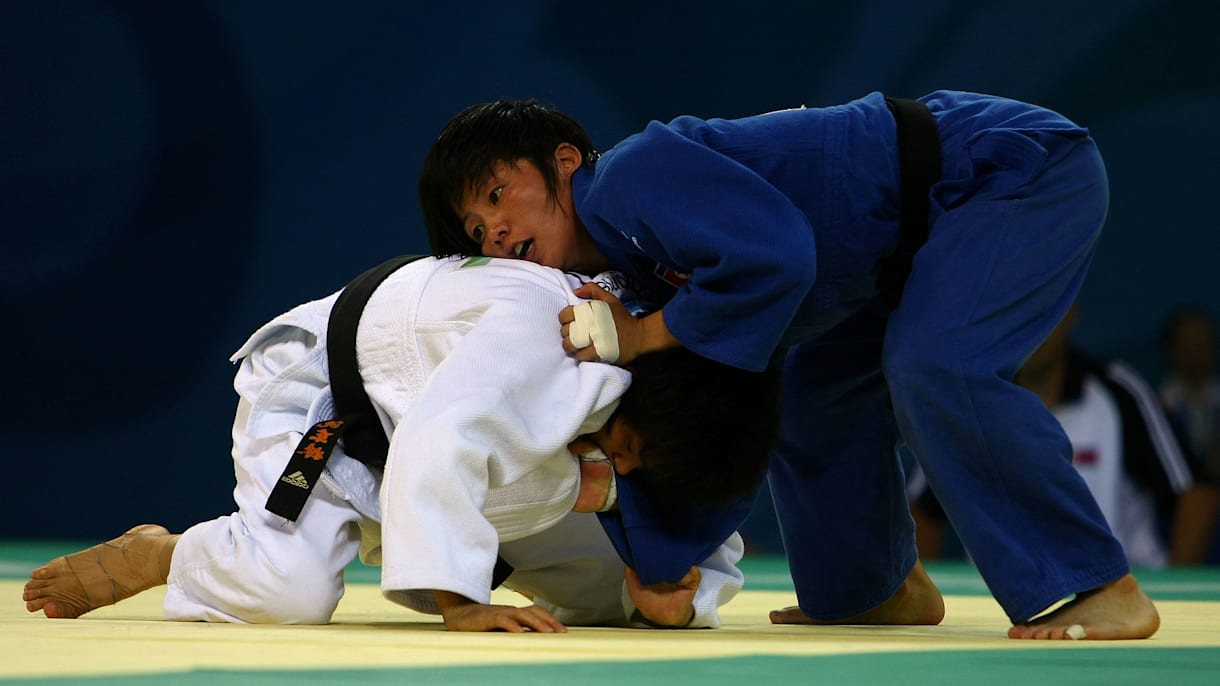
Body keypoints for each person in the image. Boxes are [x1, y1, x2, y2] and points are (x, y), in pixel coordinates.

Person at [418, 91, 1161, 640]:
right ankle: (870, 588)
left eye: (497, 193)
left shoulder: (626, 179)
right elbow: (720, 409)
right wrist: (662, 564)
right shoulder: (636, 281)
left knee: (938, 365)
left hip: (1004, 169)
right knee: (810, 399)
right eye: (477, 228)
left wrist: (644, 338)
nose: (496, 226)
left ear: (565, 163)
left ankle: (1094, 583)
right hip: (893, 250)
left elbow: (776, 258)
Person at [24, 256, 780, 632]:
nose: (623, 464)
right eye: (626, 447)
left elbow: (703, 516)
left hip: (442, 446)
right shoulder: (551, 342)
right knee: (291, 594)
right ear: (633, 396)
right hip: (329, 402)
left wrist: (677, 596)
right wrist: (460, 603)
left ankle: (470, 538)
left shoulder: (683, 394)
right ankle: (169, 553)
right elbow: (437, 440)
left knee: (621, 594)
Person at [908, 304, 1218, 567]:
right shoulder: (971, 402)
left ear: (1070, 313)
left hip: (1122, 600)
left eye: (1045, 309)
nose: (1033, 326)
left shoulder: (1118, 391)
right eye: (1019, 311)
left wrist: (1164, 597)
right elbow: (922, 508)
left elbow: (1196, 494)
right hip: (1002, 609)